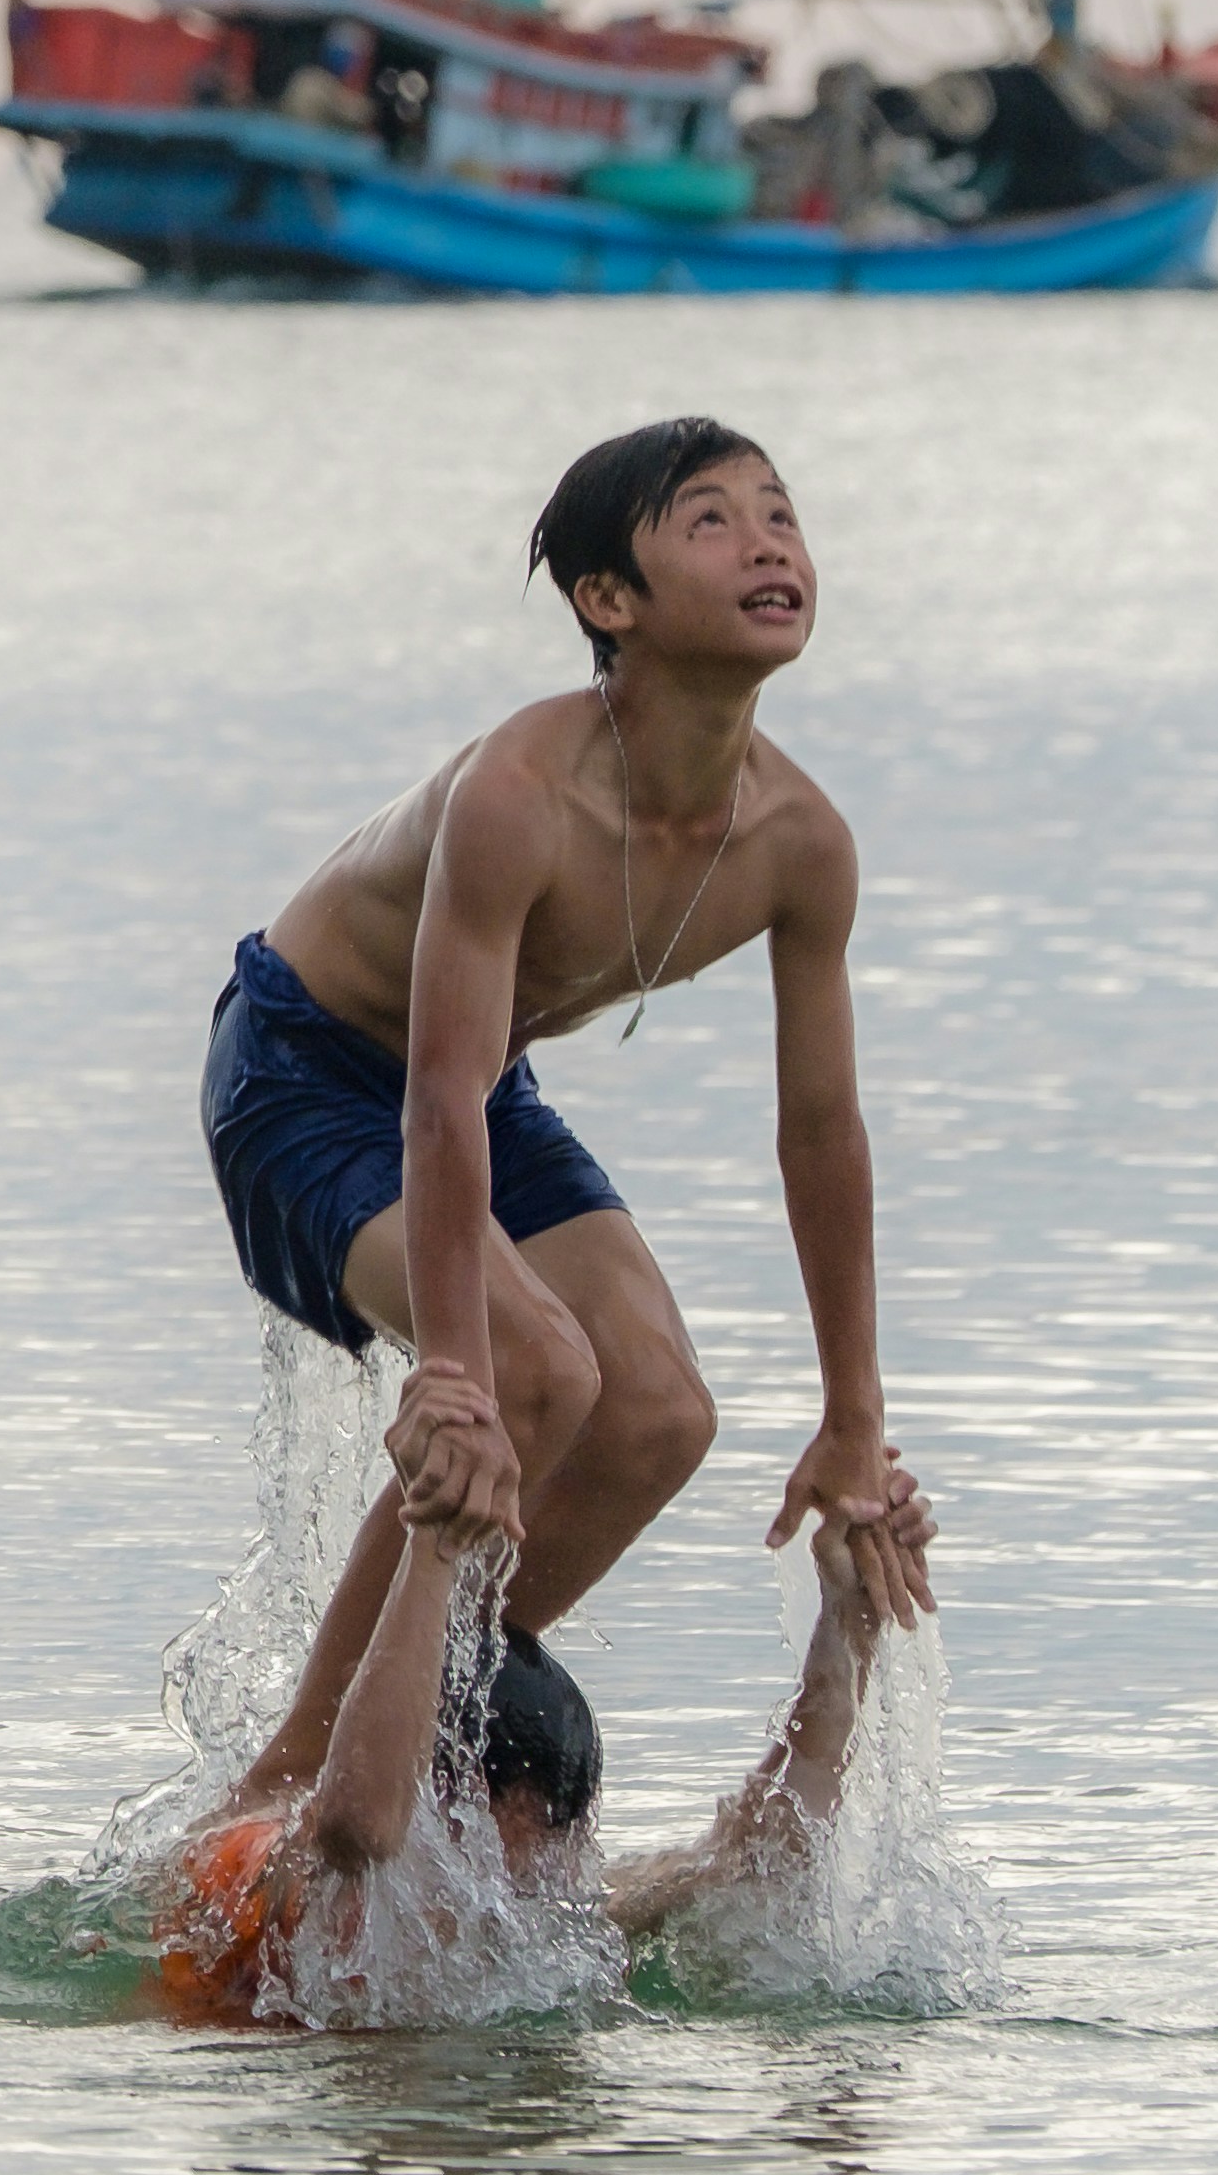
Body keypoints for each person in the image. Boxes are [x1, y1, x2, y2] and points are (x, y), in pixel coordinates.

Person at [199, 418, 926, 1825]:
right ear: (609, 599)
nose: (767, 541)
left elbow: (823, 1133)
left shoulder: (801, 843)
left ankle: (439, 1720)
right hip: (304, 1064)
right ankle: (284, 1782)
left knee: (661, 1411)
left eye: (780, 514)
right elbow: (433, 1094)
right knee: (533, 1370)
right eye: (710, 520)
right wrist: (457, 1378)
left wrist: (854, 1421)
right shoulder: (520, 795)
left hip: (483, 1088)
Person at [144, 1467, 939, 2026]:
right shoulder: (273, 1874)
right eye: (498, 1857)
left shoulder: (533, 1911)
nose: (515, 1898)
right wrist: (434, 1545)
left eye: (546, 1858)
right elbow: (356, 1821)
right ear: (437, 1810)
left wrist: (850, 1629)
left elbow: (755, 1856)